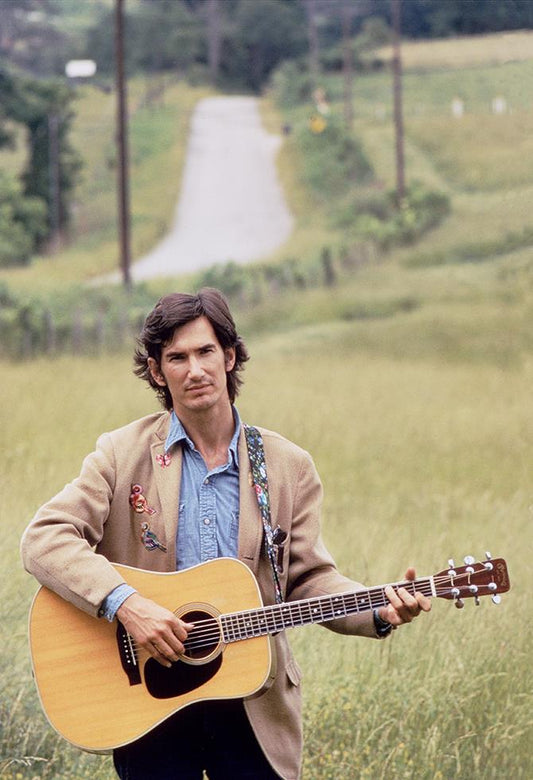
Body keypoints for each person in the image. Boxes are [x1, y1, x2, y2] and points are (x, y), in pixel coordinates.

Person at [21, 288, 431, 780]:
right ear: (157, 371)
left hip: (252, 699)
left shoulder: (286, 466)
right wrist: (127, 604)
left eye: (205, 352)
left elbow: (309, 582)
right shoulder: (119, 453)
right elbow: (44, 537)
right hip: (148, 702)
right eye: (176, 357)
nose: (194, 370)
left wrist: (378, 609)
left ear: (229, 356)